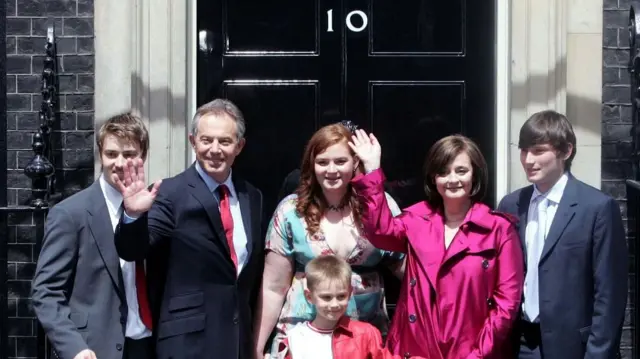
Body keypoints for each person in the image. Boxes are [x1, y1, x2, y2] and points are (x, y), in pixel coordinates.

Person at [350, 131, 524, 358]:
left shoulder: (499, 229)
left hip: (472, 352)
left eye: (461, 171)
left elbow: (506, 305)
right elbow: (379, 231)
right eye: (443, 172)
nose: (452, 179)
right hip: (416, 350)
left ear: (475, 175)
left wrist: (478, 355)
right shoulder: (415, 220)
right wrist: (372, 168)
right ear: (434, 178)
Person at [113, 99, 264, 359]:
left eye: (225, 142)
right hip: (186, 345)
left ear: (239, 146)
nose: (215, 149)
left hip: (238, 344)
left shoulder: (252, 196)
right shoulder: (170, 193)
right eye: (206, 140)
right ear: (193, 142)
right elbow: (133, 249)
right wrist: (133, 215)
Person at [254, 124, 405, 358]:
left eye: (340, 161)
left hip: (363, 341)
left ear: (355, 163)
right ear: (311, 165)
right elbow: (274, 287)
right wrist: (257, 346)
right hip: (301, 336)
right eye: (322, 162)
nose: (331, 170)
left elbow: (410, 273)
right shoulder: (290, 212)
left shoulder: (379, 205)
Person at [497, 110, 627, 359]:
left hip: (573, 347)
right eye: (524, 150)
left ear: (566, 151)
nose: (528, 160)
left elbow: (609, 294)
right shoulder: (511, 205)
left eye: (538, 150)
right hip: (520, 344)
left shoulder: (597, 208)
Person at [31, 113, 154, 359]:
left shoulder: (157, 209)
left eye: (129, 154)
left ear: (143, 156)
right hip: (94, 348)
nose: (119, 163)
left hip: (148, 344)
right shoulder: (70, 213)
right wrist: (73, 347)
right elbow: (45, 291)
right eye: (111, 154)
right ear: (100, 154)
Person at [276, 255, 425, 359]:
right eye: (326, 297)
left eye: (341, 296)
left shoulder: (365, 333)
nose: (334, 304)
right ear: (310, 297)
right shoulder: (295, 338)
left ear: (350, 293)